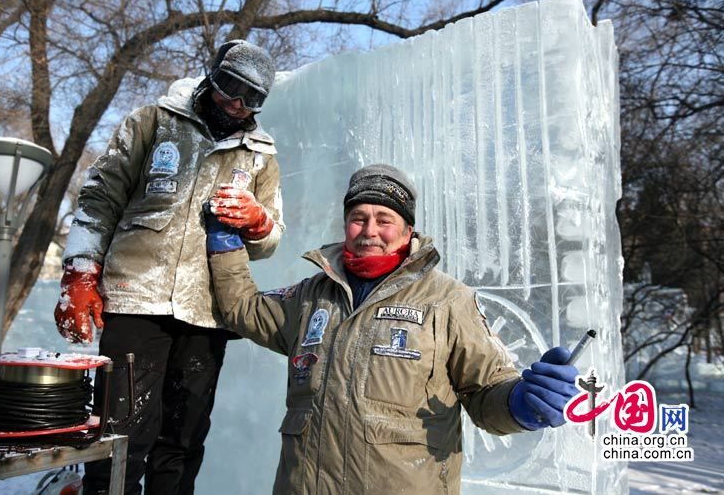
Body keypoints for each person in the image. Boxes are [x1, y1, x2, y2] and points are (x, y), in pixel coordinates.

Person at [206, 164, 580, 494]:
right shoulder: (310, 297)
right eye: (358, 217)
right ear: (345, 225)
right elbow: (243, 309)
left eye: (384, 219)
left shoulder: (447, 301)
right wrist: (224, 243)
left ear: (407, 231)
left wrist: (522, 404)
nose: (370, 230)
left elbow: (487, 392)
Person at [54, 40, 284, 495]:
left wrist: (258, 224)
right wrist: (81, 269)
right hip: (135, 300)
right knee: (121, 432)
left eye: (251, 98)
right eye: (231, 88)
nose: (237, 105)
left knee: (182, 436)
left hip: (206, 312)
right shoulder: (152, 123)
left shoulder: (260, 155)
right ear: (212, 77)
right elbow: (100, 197)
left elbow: (272, 238)